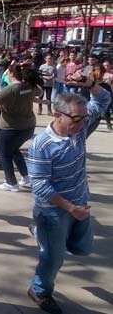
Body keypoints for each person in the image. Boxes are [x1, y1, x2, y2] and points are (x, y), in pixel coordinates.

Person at [25, 86, 110, 314]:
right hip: (54, 211)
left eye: (84, 118)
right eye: (76, 119)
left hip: (80, 204)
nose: (82, 123)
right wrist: (71, 208)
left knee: (82, 249)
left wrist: (90, 83)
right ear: (57, 115)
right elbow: (40, 185)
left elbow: (102, 100)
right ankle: (39, 290)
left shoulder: (79, 130)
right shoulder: (41, 145)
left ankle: (39, 233)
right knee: (53, 258)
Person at [0, 63, 43, 192]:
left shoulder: (11, 89)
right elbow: (40, 91)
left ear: (11, 74)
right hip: (28, 126)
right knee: (14, 149)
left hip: (11, 128)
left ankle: (11, 183)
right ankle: (26, 176)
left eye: (7, 72)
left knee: (5, 154)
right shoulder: (29, 86)